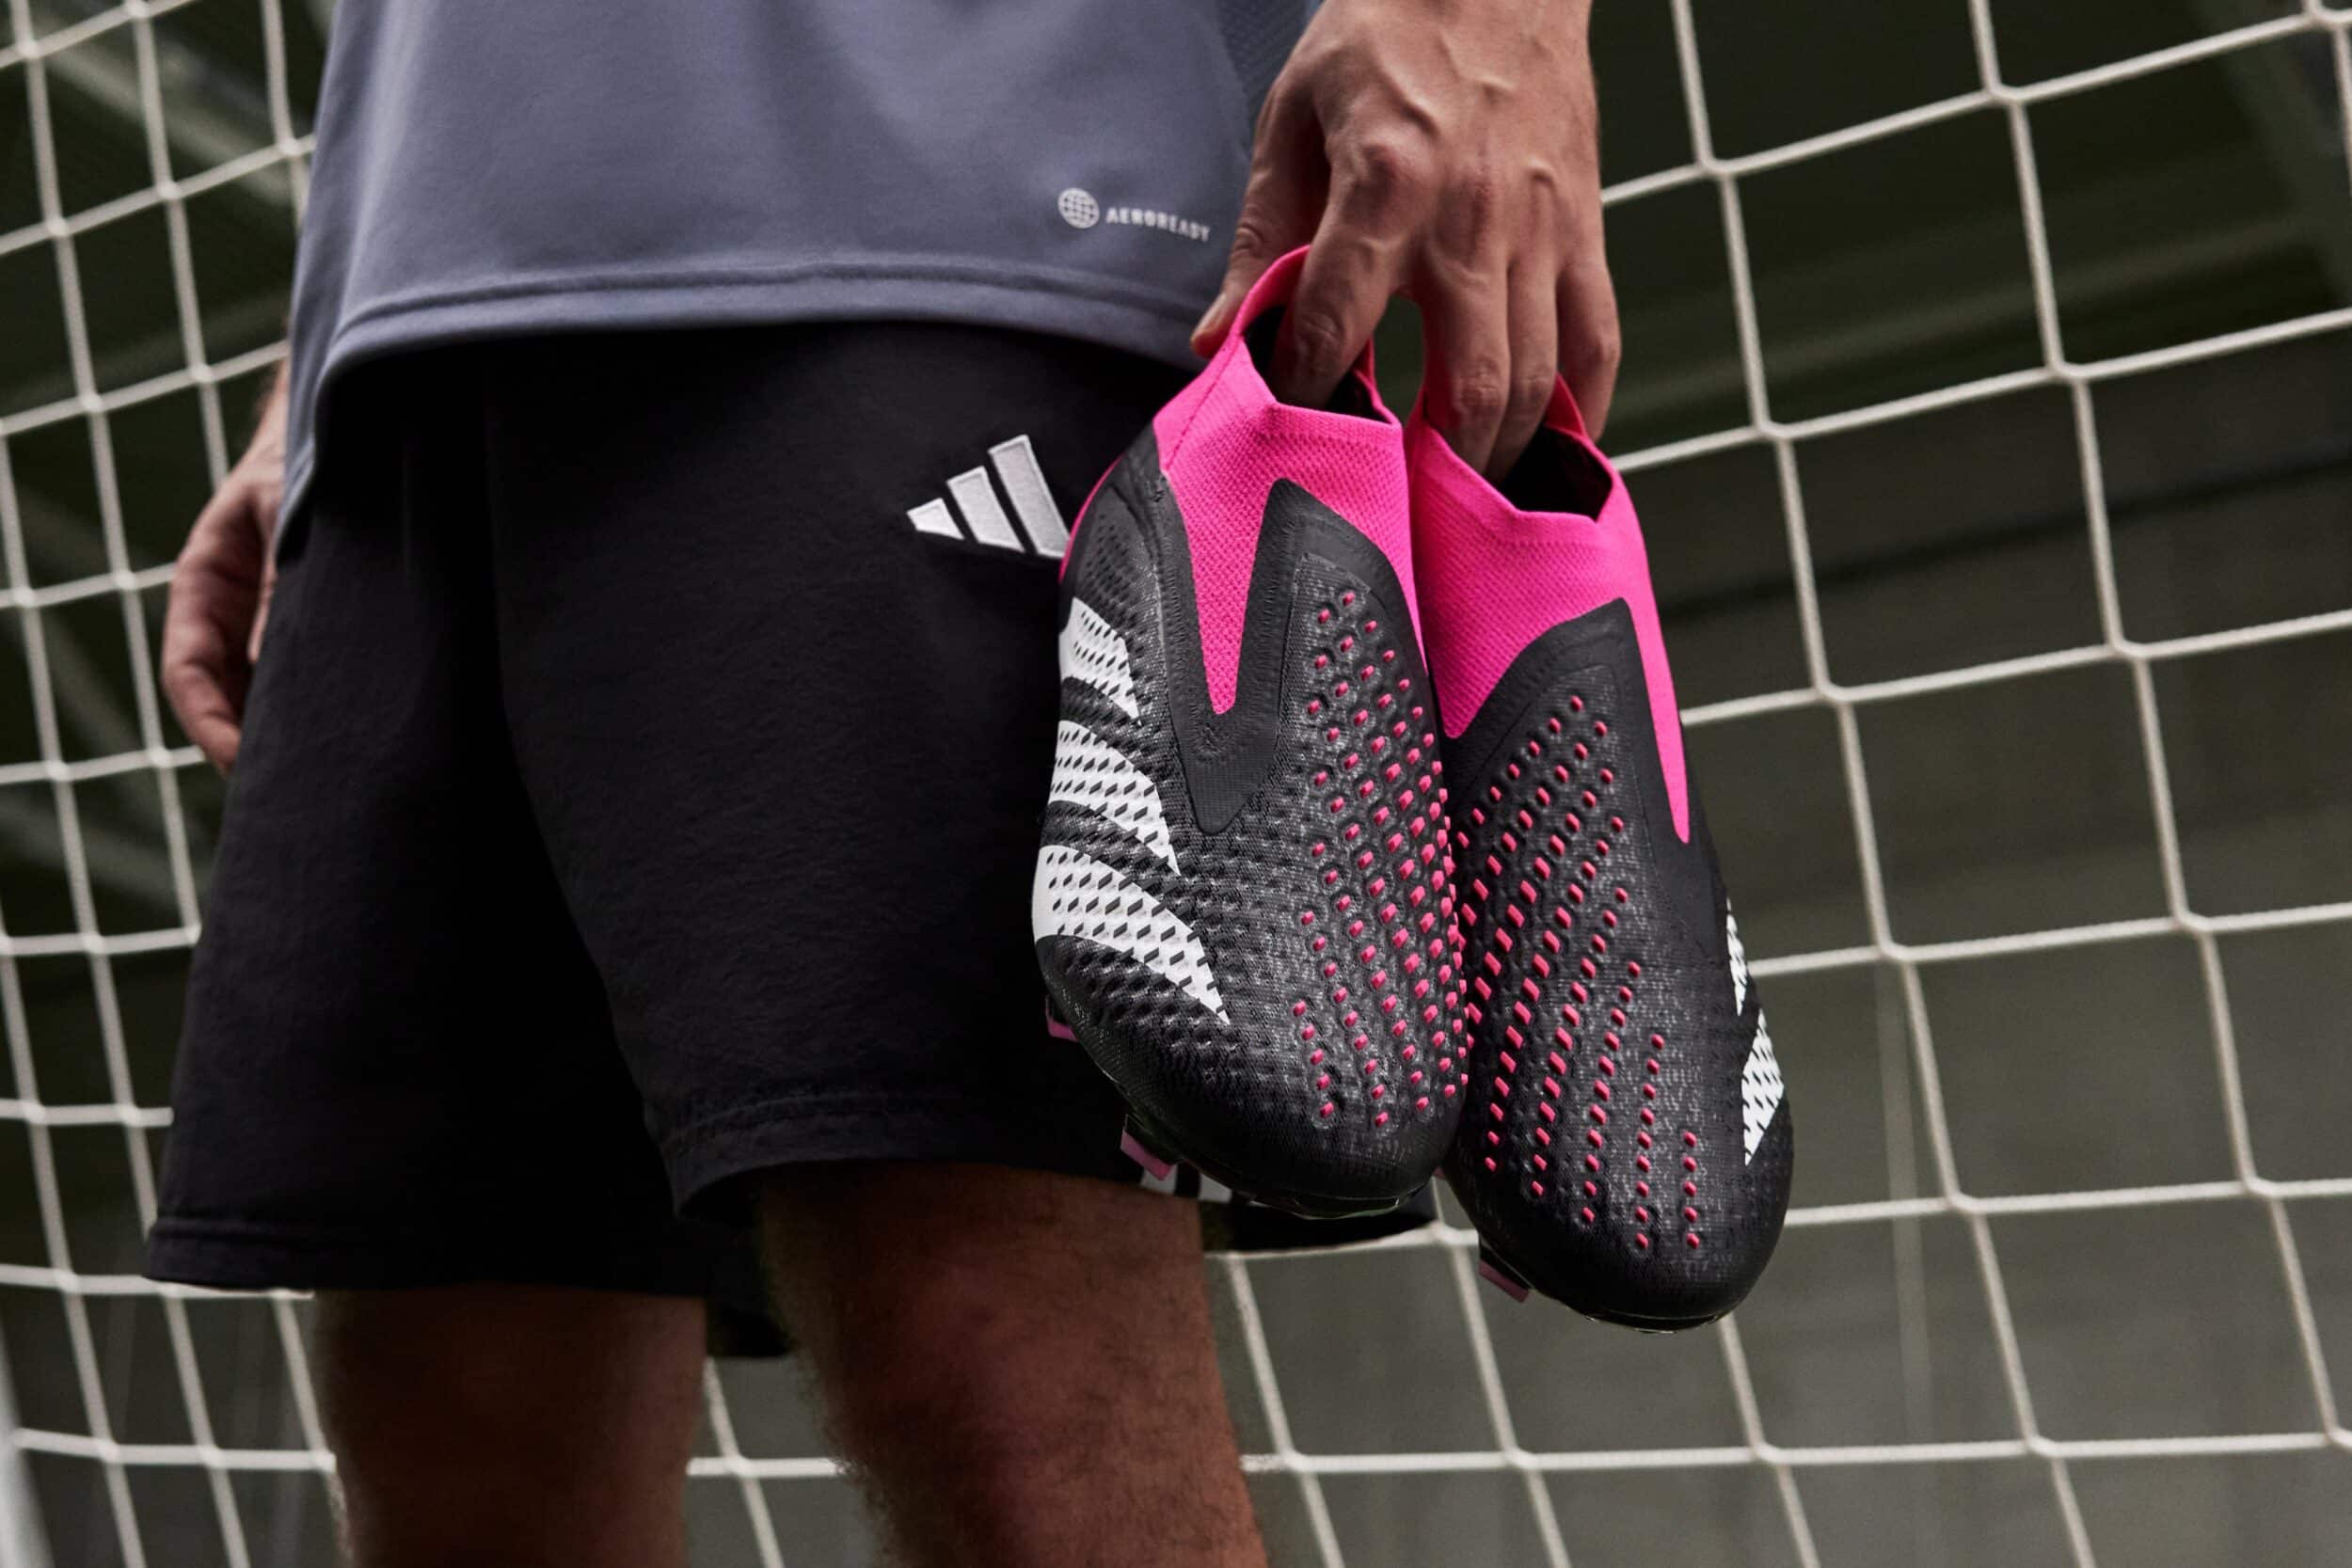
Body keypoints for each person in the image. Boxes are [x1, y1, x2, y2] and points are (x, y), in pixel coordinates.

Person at [149, 1, 1620, 1563]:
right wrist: (320, 349)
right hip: (404, 340)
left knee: (999, 1387)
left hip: (949, 209)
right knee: (465, 1434)